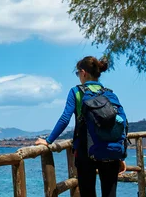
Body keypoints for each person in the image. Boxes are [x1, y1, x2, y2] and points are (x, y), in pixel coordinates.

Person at [35, 56, 127, 197]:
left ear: (83, 72)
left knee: (87, 192)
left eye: (78, 73)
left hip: (85, 150)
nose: (78, 77)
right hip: (110, 151)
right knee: (110, 194)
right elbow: (122, 124)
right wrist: (121, 155)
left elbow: (65, 118)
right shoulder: (109, 93)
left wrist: (48, 141)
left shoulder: (76, 92)